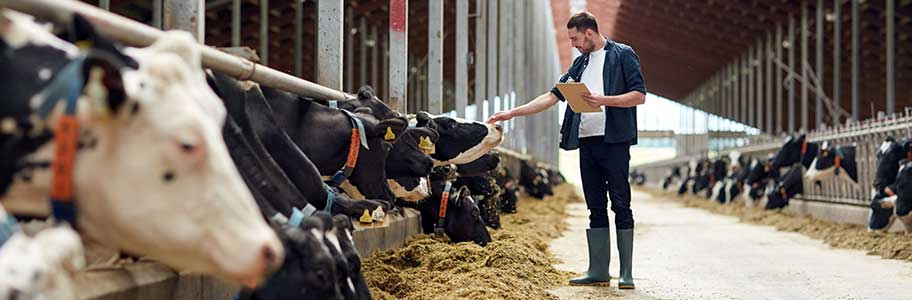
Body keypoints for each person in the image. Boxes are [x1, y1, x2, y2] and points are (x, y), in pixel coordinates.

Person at [487, 11, 646, 289]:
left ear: (588, 32)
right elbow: (551, 96)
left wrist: (604, 99)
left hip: (615, 142)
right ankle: (598, 270)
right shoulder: (580, 65)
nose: (572, 44)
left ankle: (626, 274)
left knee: (620, 202)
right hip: (587, 141)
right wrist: (512, 112)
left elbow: (639, 95)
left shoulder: (623, 54)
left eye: (574, 38)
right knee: (594, 206)